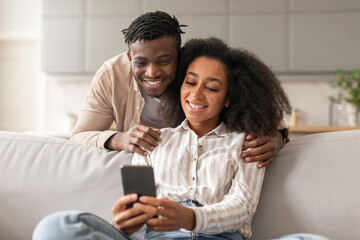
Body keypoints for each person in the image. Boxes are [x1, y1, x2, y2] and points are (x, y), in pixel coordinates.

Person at [33, 38, 327, 240]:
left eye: (212, 88)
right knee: (59, 226)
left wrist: (190, 218)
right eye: (190, 82)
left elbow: (241, 208)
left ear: (229, 98)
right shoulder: (153, 139)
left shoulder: (245, 143)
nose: (196, 94)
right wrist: (127, 221)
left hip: (219, 237)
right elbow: (138, 210)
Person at [70, 11, 289, 169]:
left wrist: (277, 139)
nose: (152, 72)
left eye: (164, 61)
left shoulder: (196, 72)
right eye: (141, 62)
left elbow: (264, 117)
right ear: (129, 58)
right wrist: (119, 139)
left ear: (180, 55)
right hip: (147, 171)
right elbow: (80, 135)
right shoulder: (111, 74)